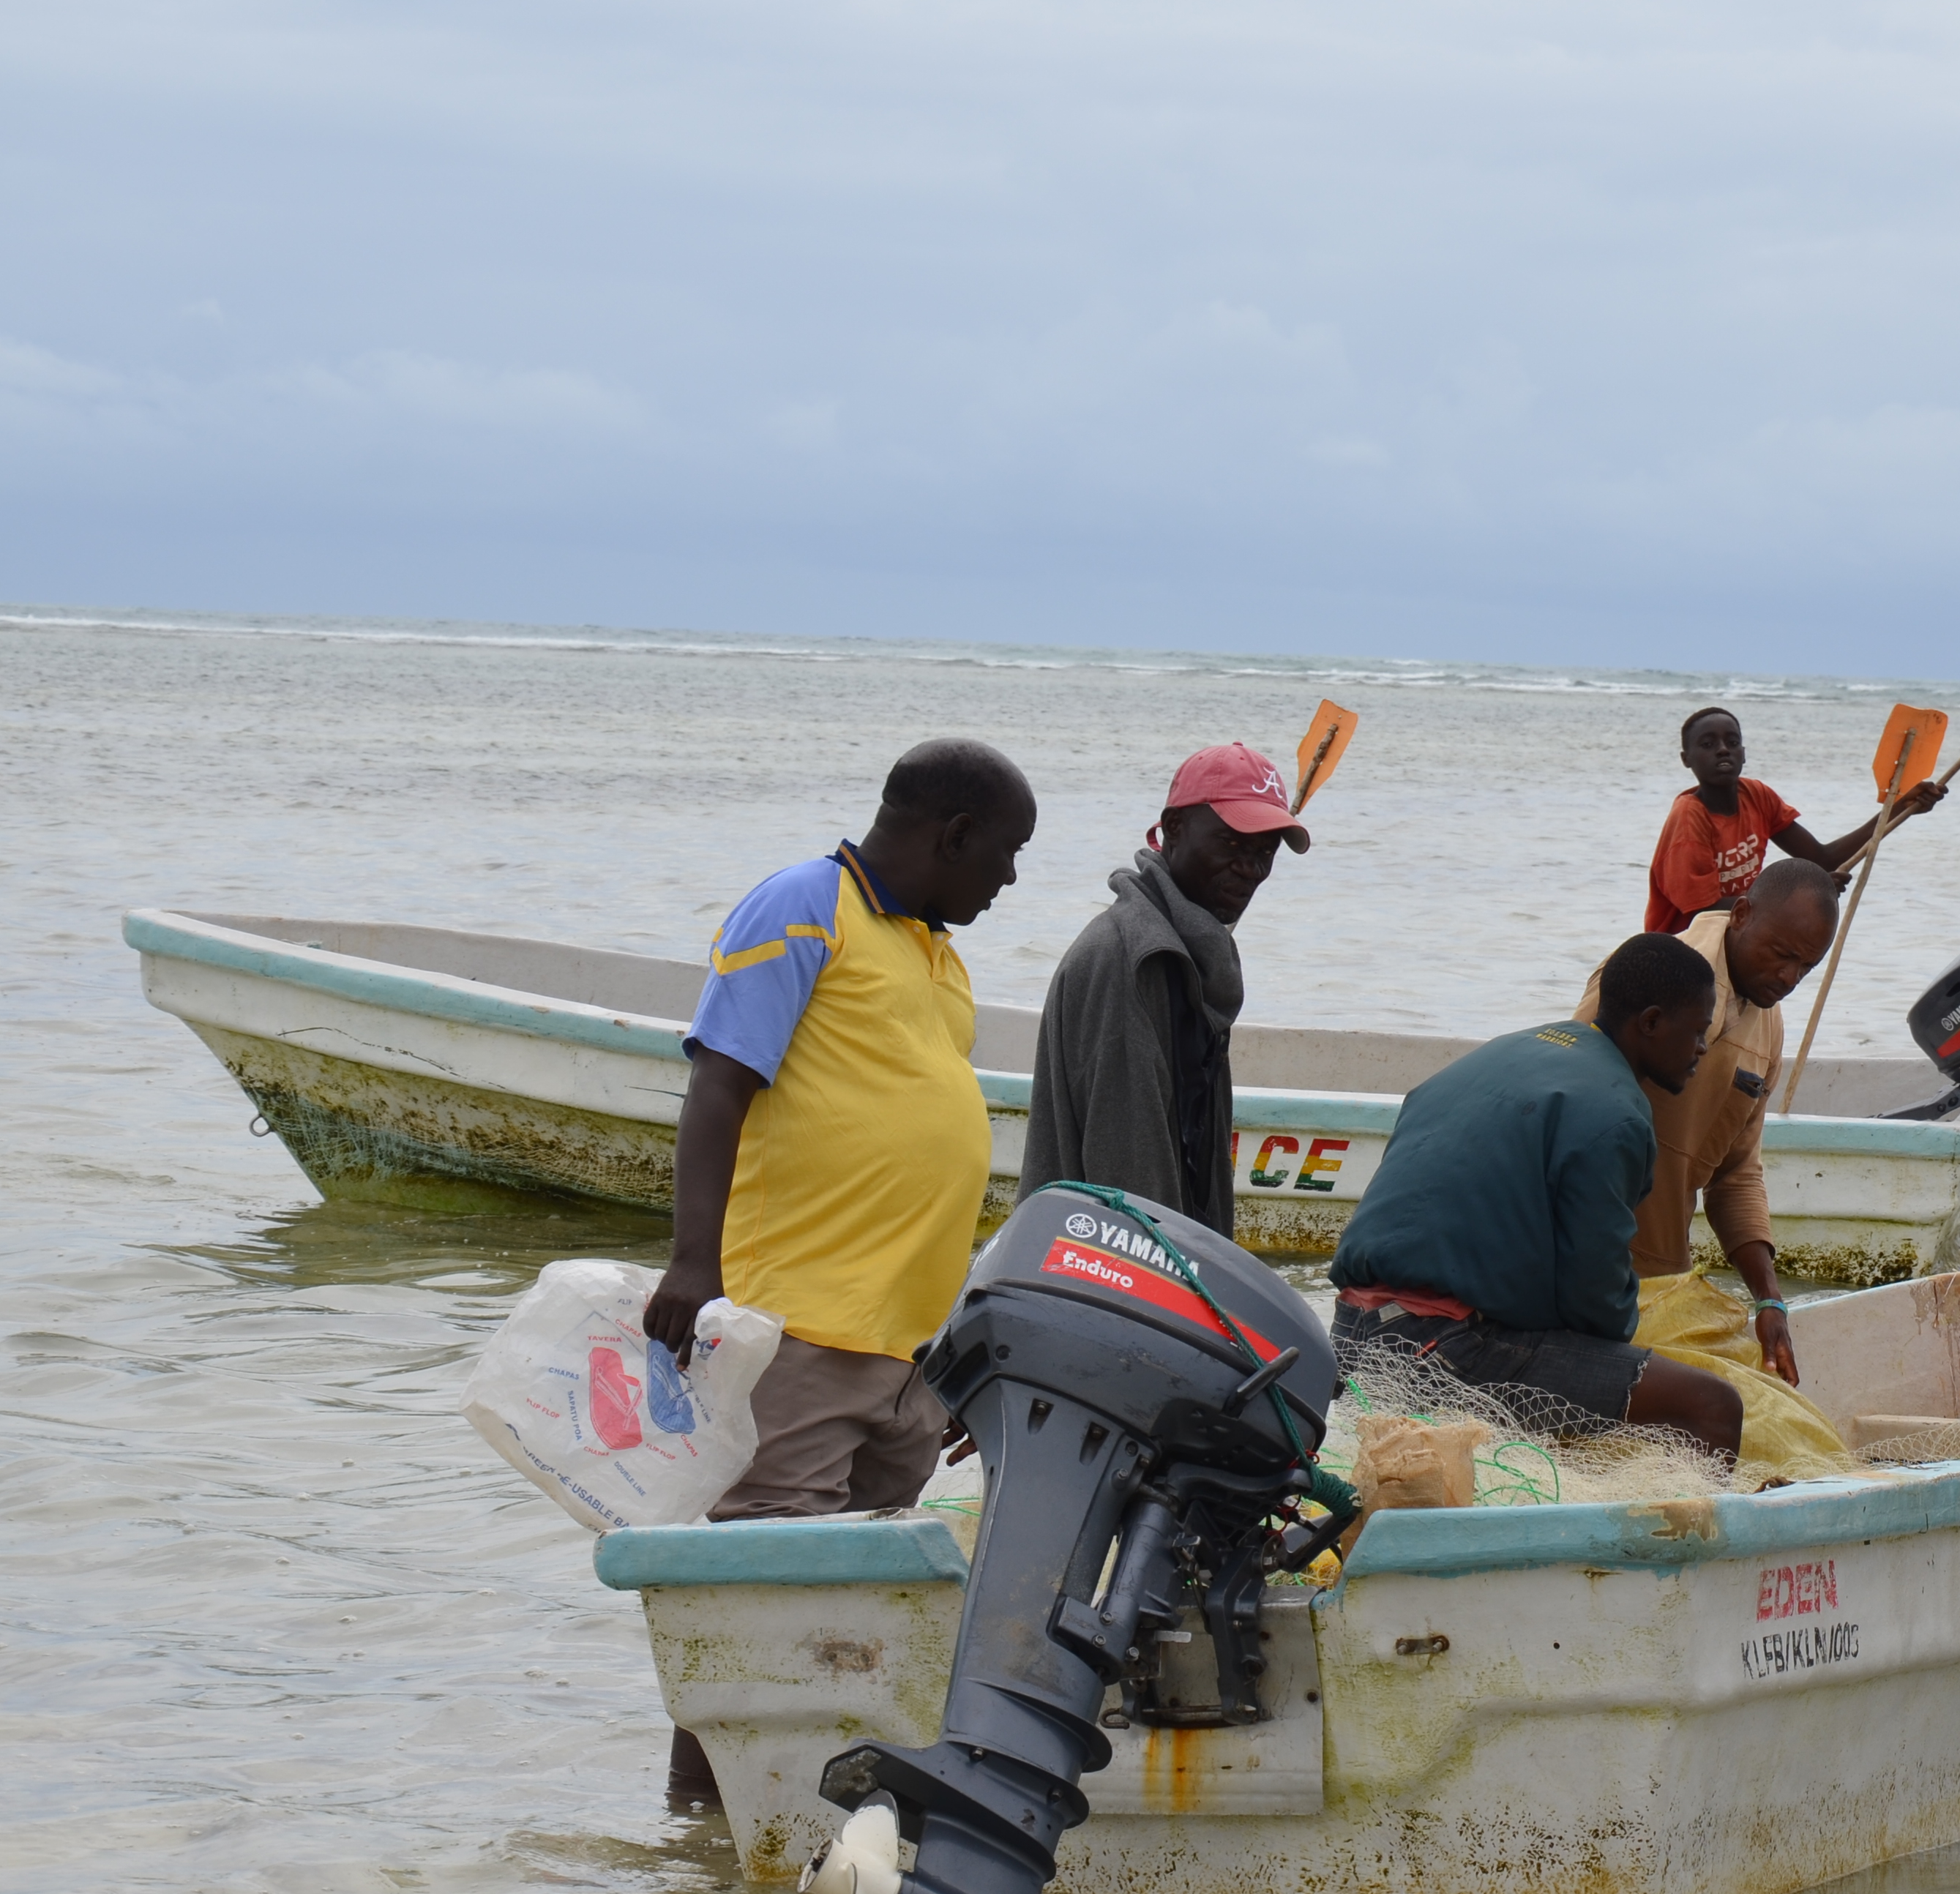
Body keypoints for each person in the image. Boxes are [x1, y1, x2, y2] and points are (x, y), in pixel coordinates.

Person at [643, 738, 1033, 1807]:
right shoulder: (803, 904)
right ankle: (702, 1827)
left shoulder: (932, 950)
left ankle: (785, 1826)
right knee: (764, 1600)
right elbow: (719, 1084)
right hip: (799, 1329)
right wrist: (693, 1261)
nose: (1010, 879)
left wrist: (961, 1345)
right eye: (1004, 854)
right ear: (953, 835)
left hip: (904, 1349)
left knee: (850, 1618)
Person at [1326, 935, 1747, 1456]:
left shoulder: (1508, 1050)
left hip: (1349, 1334)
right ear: (1653, 1022)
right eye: (1699, 1033)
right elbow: (1595, 1302)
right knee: (1712, 1406)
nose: (1703, 1051)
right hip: (1443, 1348)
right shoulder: (1618, 1113)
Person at [1026, 743, 1312, 1236]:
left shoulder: (1193, 958)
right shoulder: (1131, 960)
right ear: (1173, 829)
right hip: (1108, 1279)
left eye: (1265, 852)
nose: (1251, 869)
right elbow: (1129, 1185)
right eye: (1231, 844)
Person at [1569, 857, 1837, 1383]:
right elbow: (1566, 1100)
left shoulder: (1769, 1025)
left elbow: (1736, 1174)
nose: (1789, 978)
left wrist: (1771, 1302)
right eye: (1781, 955)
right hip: (1581, 1264)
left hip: (1658, 1277)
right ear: (1741, 914)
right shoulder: (1657, 973)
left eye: (1805, 968)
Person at [1645, 705, 1944, 935]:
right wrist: (1796, 895)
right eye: (1708, 744)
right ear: (1686, 759)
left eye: (1732, 742)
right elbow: (1704, 911)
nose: (1723, 749)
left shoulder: (1757, 796)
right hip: (1684, 946)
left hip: (1734, 937)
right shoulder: (1689, 817)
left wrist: (1898, 809)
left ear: (1744, 754)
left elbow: (1822, 858)